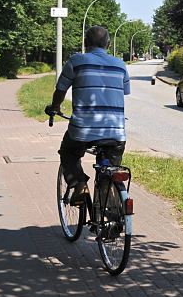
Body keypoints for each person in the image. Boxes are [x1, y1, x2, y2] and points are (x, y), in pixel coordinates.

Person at [45, 25, 130, 205]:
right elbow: (124, 91)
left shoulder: (76, 61)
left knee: (68, 152)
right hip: (116, 132)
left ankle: (79, 184)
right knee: (110, 169)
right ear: (108, 43)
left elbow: (60, 90)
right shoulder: (120, 65)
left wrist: (54, 107)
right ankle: (111, 208)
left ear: (85, 42)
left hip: (83, 130)